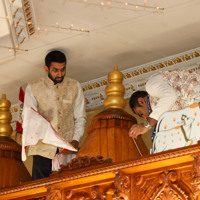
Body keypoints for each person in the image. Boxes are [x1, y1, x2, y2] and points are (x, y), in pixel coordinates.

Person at [23, 50, 86, 180]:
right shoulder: (33, 87)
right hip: (42, 149)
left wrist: (75, 139)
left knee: (70, 187)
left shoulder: (75, 86)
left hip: (67, 148)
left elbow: (80, 117)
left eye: (63, 69)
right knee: (41, 190)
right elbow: (28, 118)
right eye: (55, 70)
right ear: (46, 69)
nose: (60, 74)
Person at [128, 69, 200, 141]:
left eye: (141, 114)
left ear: (141, 101)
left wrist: (147, 125)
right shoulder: (164, 111)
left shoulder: (150, 85)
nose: (144, 118)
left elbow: (170, 95)